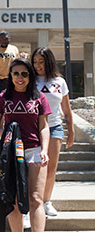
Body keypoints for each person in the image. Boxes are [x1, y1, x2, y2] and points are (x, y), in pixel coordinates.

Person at [0, 58, 51, 232]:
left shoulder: (39, 97)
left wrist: (45, 149)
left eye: (24, 74)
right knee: (13, 201)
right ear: (10, 76)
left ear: (30, 76)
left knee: (35, 199)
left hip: (34, 151)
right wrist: (8, 135)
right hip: (12, 154)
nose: (20, 78)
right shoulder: (3, 97)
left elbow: (43, 126)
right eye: (16, 74)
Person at [32, 47, 74, 216]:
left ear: (49, 62)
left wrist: (70, 130)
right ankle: (32, 201)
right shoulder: (29, 80)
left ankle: (46, 201)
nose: (37, 66)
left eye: (41, 62)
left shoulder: (60, 82)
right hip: (33, 128)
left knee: (50, 168)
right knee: (34, 167)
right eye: (34, 62)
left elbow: (67, 109)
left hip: (55, 128)